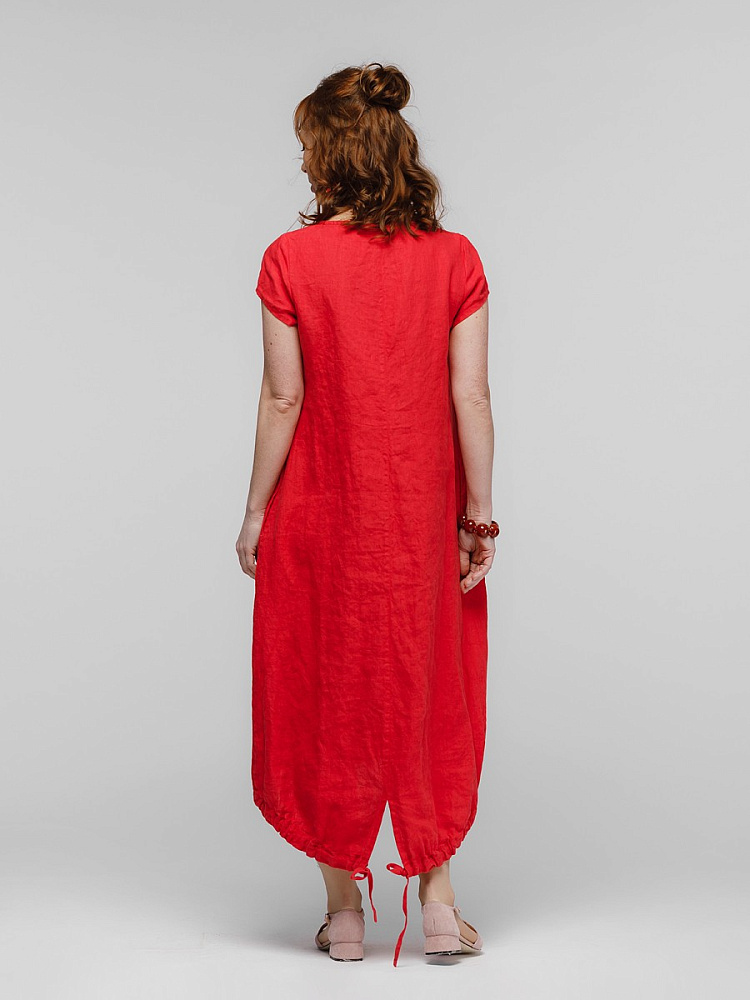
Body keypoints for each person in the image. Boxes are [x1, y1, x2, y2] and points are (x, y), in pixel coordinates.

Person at [236, 62, 497, 967]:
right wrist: (479, 515)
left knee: (325, 688)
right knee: (430, 690)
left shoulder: (290, 258)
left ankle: (344, 914)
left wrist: (255, 510)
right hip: (418, 519)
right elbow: (471, 397)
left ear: (327, 155)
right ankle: (439, 908)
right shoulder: (456, 259)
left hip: (321, 512)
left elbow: (283, 398)